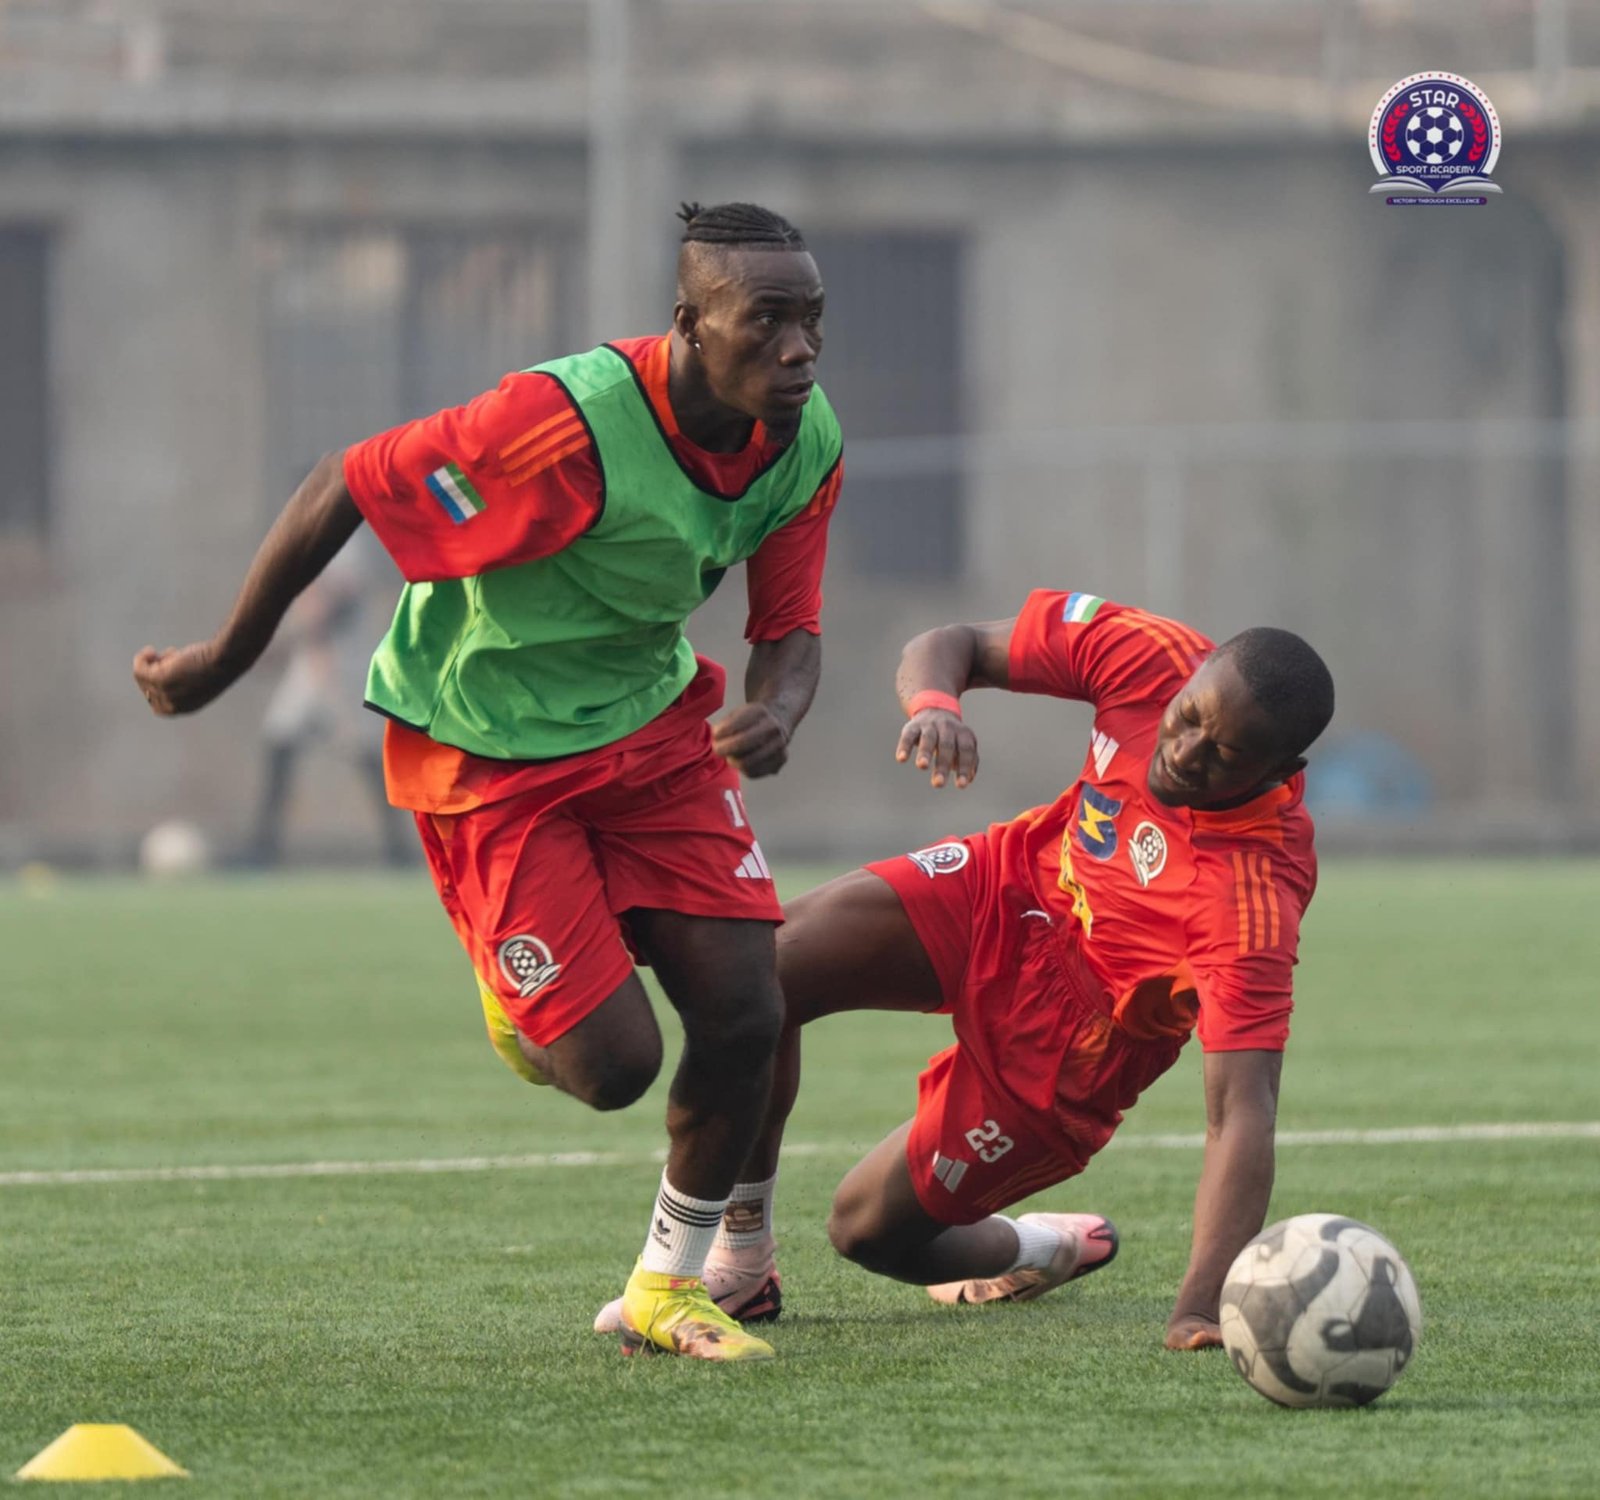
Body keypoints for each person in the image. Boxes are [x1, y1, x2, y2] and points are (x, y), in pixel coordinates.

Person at [134, 201, 843, 1363]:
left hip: (653, 737)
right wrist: (222, 660)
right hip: (490, 754)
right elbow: (347, 479)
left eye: (811, 319)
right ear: (688, 323)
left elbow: (792, 626)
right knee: (613, 1070)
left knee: (746, 1010)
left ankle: (668, 1288)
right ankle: (521, 990)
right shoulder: (558, 425)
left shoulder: (802, 437)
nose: (799, 349)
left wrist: (779, 709)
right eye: (765, 320)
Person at [597, 588, 1333, 1351]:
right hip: (1010, 889)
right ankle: (741, 1262)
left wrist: (1201, 1308)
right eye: (1188, 718)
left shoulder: (1251, 897)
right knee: (767, 974)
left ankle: (1038, 1248)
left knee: (865, 1231)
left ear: (1282, 769)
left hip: (1073, 1041)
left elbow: (1241, 1114)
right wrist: (935, 706)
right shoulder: (1149, 655)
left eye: (1223, 757)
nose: (1185, 753)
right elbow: (953, 643)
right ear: (1196, 672)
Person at [248, 532, 410, 868]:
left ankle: (398, 848)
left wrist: (285, 642)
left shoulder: (347, 537)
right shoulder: (301, 534)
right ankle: (263, 846)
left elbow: (336, 598)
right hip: (309, 667)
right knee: (280, 741)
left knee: (365, 751)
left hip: (344, 664)